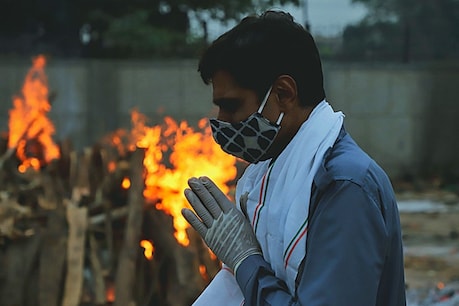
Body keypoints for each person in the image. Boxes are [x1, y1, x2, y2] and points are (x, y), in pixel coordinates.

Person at [181, 10, 406, 306]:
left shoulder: (344, 186)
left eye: (231, 105)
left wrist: (245, 261)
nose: (221, 121)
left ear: (284, 93)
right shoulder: (269, 170)